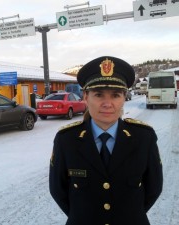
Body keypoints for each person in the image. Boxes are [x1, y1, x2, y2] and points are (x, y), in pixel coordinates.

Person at [49, 56, 163, 225]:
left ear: (124, 98)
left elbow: (153, 188)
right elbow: (58, 191)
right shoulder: (67, 140)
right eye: (99, 95)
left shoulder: (143, 138)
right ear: (86, 97)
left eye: (116, 95)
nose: (107, 103)